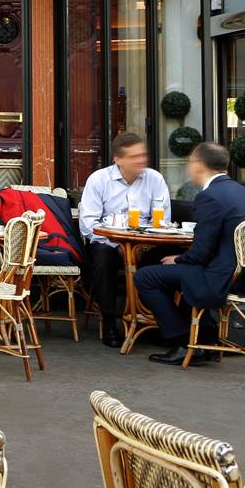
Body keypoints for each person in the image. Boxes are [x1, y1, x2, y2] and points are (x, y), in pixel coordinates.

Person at [136, 142, 245, 366]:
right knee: (182, 273)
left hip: (222, 278)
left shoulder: (210, 196)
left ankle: (183, 341)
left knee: (146, 276)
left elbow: (201, 252)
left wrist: (178, 259)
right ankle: (203, 336)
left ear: (198, 165)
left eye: (190, 163)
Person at [79, 131, 172, 348]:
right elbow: (88, 224)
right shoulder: (99, 179)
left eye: (142, 155)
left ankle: (160, 321)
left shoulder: (155, 179)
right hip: (108, 243)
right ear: (118, 159)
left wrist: (144, 245)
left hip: (147, 243)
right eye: (134, 157)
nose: (141, 161)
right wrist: (118, 245)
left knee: (169, 257)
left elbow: (162, 220)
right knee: (103, 258)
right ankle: (109, 321)